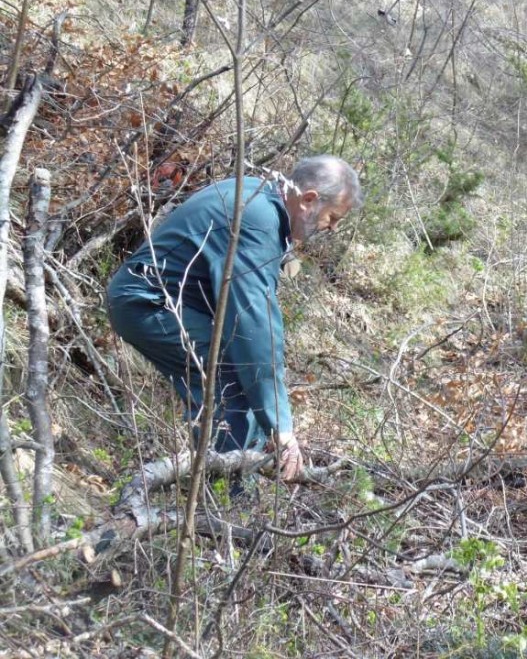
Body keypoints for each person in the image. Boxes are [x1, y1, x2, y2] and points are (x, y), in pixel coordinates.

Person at [107, 155, 362, 480]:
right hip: (148, 302)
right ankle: (227, 508)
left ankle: (222, 483)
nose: (332, 228)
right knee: (230, 385)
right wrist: (281, 427)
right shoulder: (258, 220)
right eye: (333, 217)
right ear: (309, 200)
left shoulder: (259, 197)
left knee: (232, 382)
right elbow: (253, 326)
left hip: (159, 300)